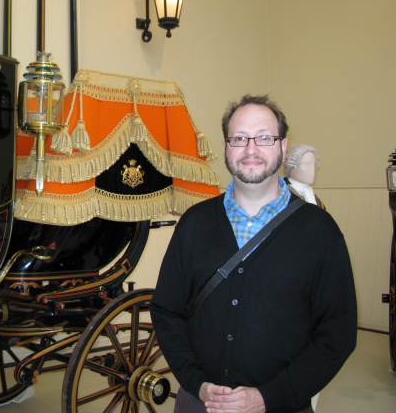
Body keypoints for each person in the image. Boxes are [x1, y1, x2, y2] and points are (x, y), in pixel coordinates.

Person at [151, 95, 357, 413]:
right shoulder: (195, 223)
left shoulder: (320, 231)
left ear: (283, 146)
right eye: (239, 138)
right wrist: (196, 382)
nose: (250, 149)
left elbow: (338, 333)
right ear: (226, 146)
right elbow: (167, 310)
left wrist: (267, 397)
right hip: (199, 403)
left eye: (264, 138)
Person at [284, 145, 325, 209]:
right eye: (307, 164)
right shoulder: (282, 195)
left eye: (314, 164)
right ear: (292, 166)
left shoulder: (315, 199)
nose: (312, 169)